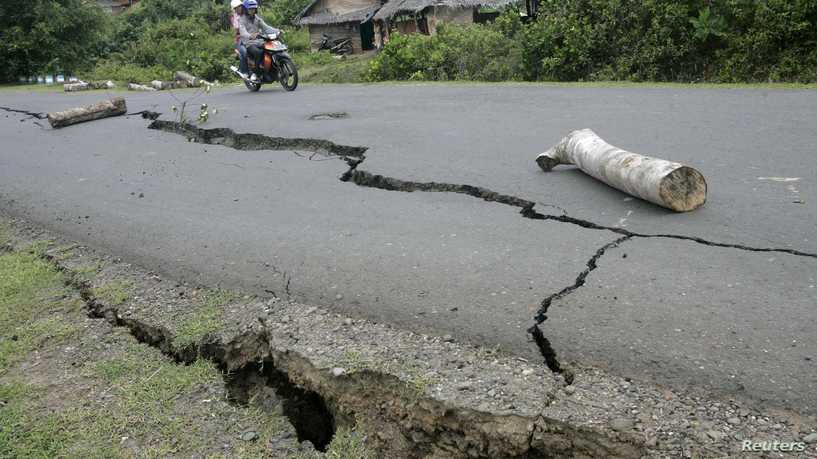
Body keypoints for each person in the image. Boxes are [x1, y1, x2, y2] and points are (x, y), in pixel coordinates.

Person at [239, 0, 280, 82]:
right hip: (249, 43)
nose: (252, 10)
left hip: (259, 41)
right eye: (250, 9)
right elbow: (242, 31)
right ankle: (256, 72)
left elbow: (266, 28)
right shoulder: (242, 20)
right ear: (245, 10)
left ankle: (270, 70)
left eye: (253, 9)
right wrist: (250, 35)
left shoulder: (257, 18)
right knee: (258, 52)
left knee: (271, 49)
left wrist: (277, 30)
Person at [230, 0, 249, 79]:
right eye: (236, 8)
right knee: (244, 53)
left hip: (251, 37)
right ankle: (244, 72)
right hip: (240, 39)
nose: (238, 9)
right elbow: (238, 29)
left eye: (239, 7)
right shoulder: (235, 17)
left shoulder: (248, 14)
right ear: (234, 9)